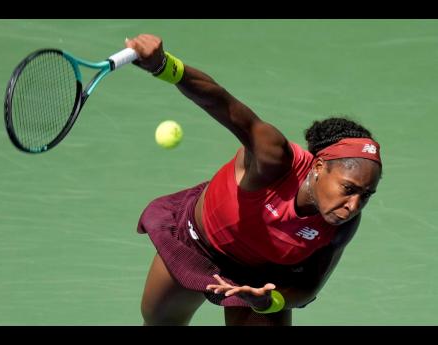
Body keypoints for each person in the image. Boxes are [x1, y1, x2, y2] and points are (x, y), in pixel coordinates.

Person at [126, 34, 382, 326]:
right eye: (348, 188)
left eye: (366, 195)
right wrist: (163, 65)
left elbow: (311, 285)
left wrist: (270, 301)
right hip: (196, 242)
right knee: (159, 322)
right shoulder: (274, 158)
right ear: (319, 166)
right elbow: (221, 102)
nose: (353, 205)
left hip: (260, 279)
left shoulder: (342, 224)